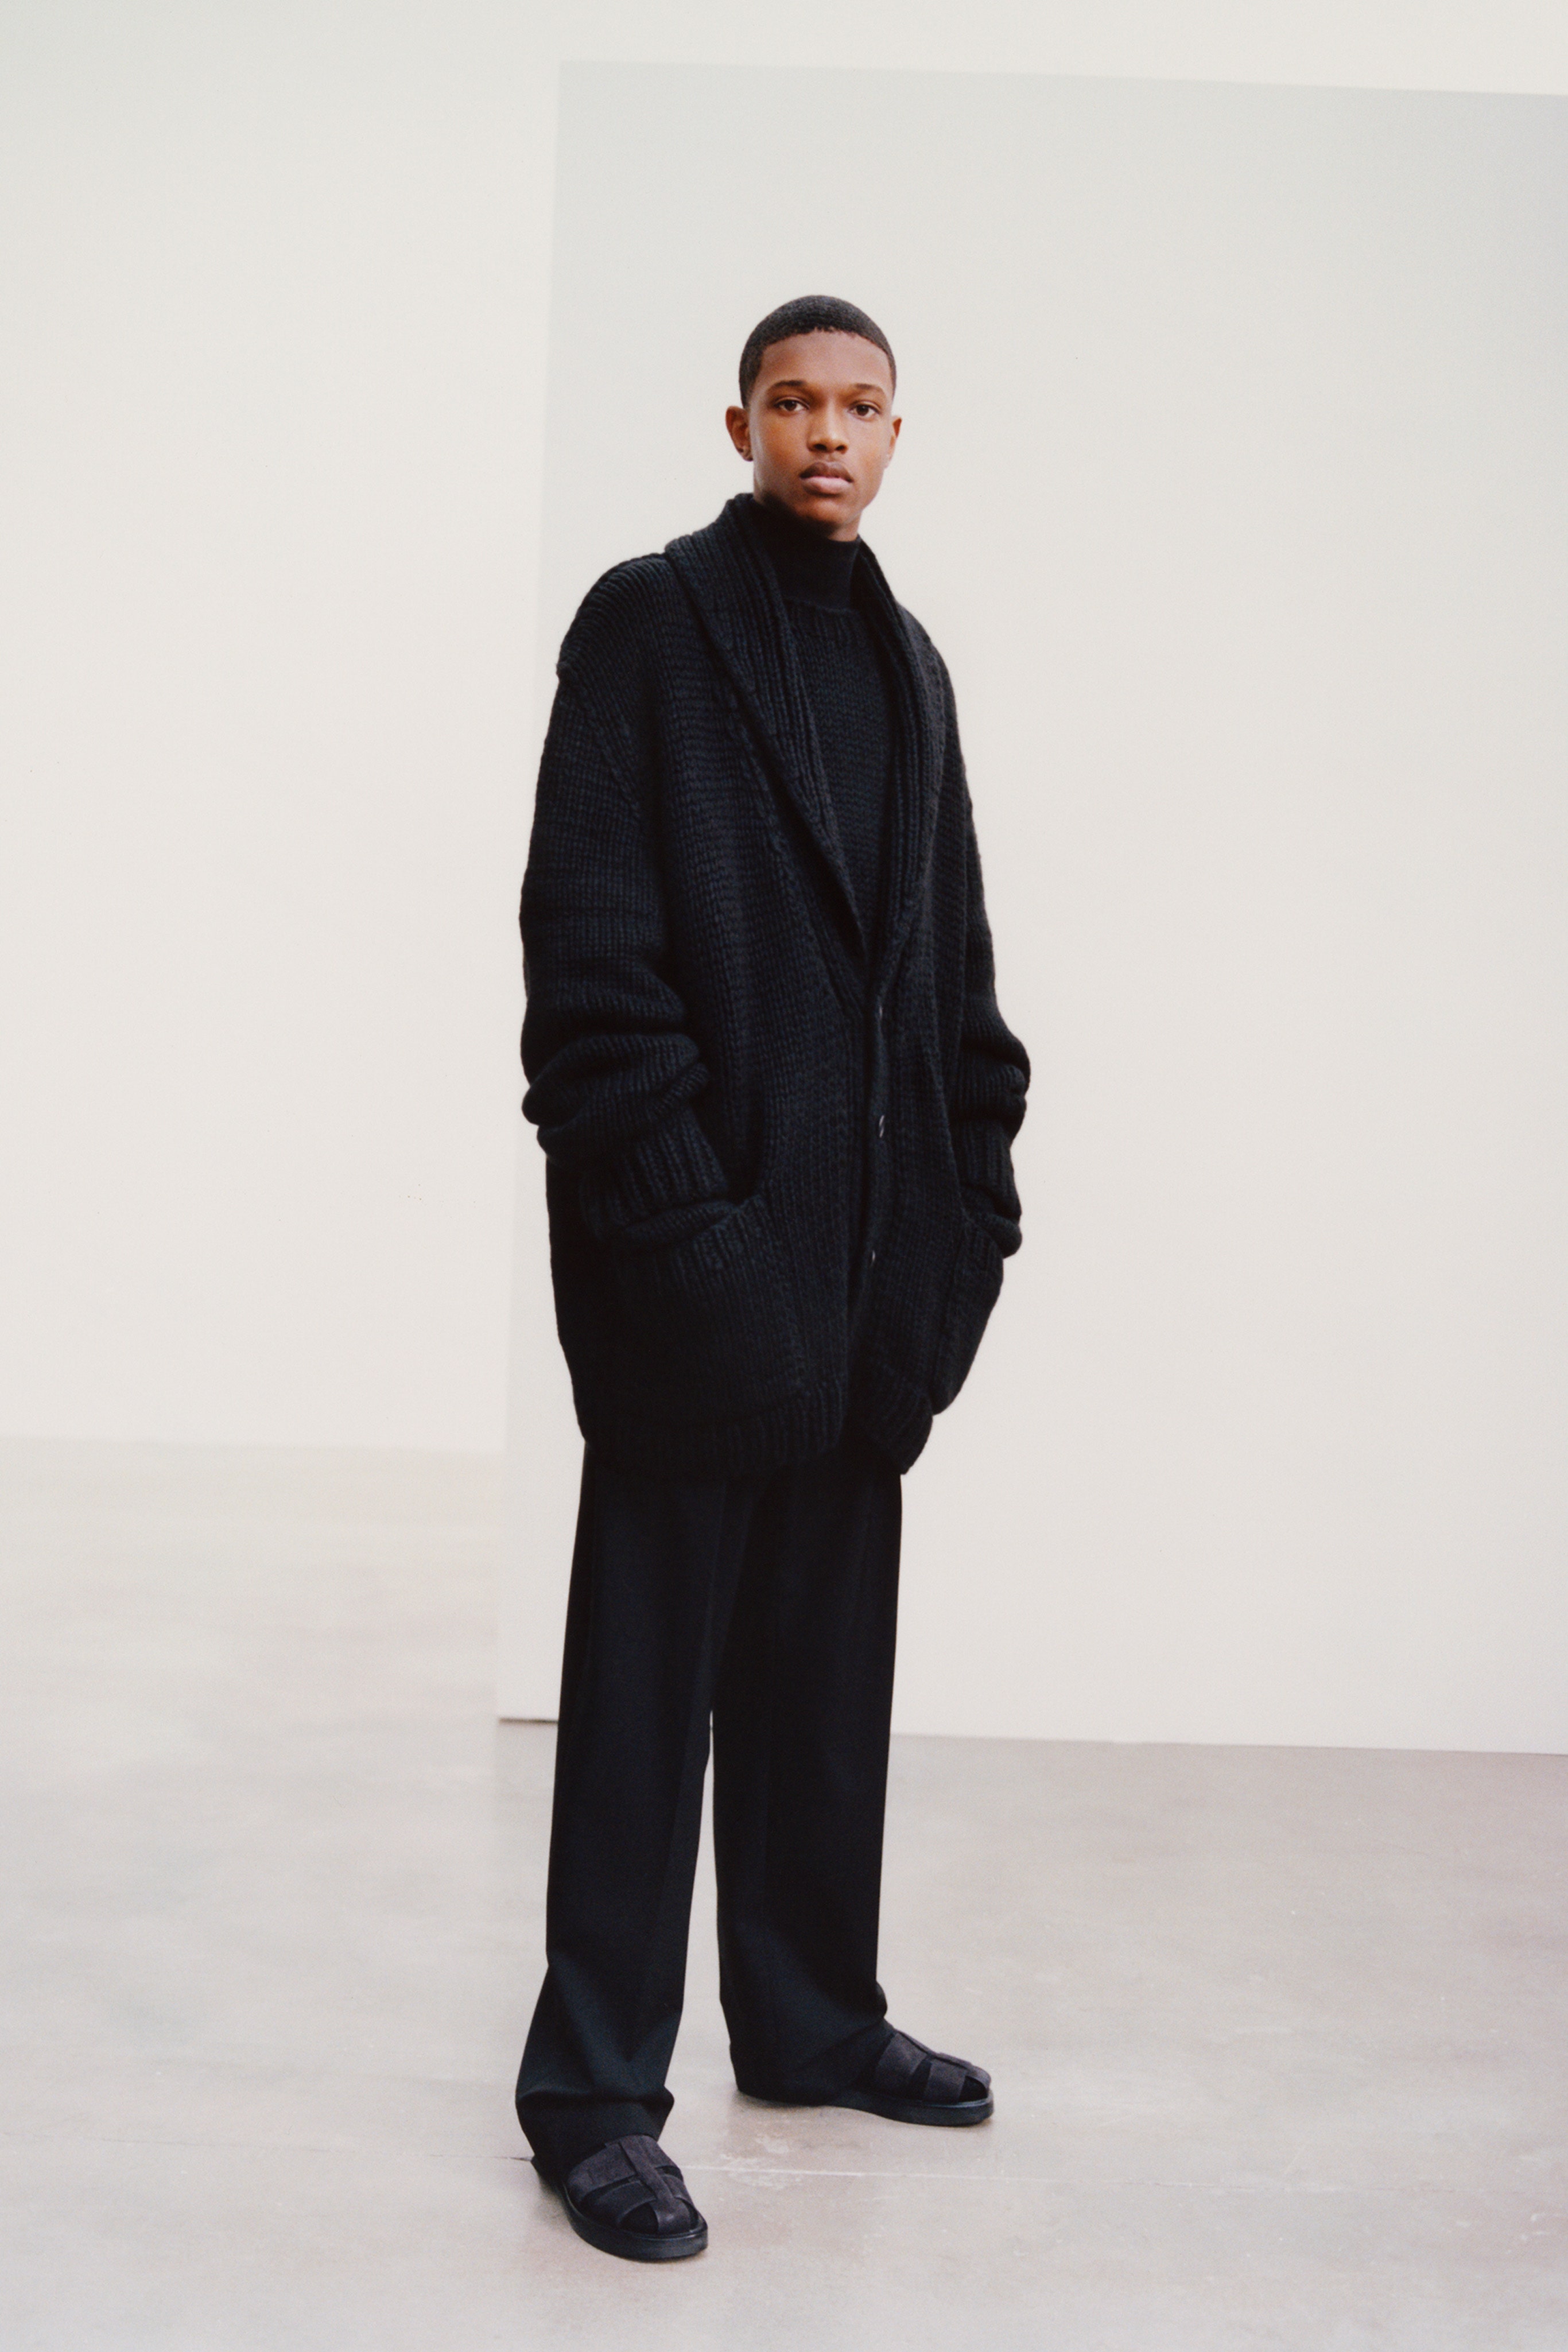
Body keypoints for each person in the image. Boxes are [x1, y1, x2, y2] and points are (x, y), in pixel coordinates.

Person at [513, 294, 1029, 2261]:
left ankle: (808, 2019)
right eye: (793, 402)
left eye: (860, 406)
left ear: (898, 434)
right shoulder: (648, 624)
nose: (828, 432)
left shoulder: (911, 663)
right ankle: (590, 2096)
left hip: (867, 1291)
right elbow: (588, 966)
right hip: (694, 1282)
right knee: (642, 1709)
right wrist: (690, 1236)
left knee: (821, 1687)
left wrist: (966, 1225)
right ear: (737, 424)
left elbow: (956, 978)